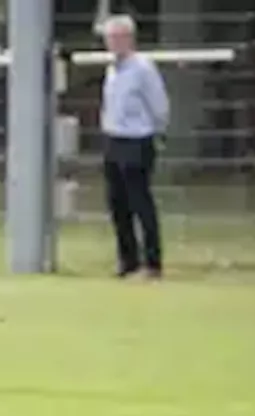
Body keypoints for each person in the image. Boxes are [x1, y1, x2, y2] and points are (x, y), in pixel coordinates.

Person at [100, 14, 169, 280]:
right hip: (114, 139)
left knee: (140, 201)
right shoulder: (112, 69)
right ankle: (127, 260)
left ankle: (152, 263)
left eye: (117, 38)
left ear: (129, 38)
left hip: (137, 140)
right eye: (109, 39)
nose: (112, 44)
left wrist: (156, 134)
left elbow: (159, 105)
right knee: (117, 203)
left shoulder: (143, 68)